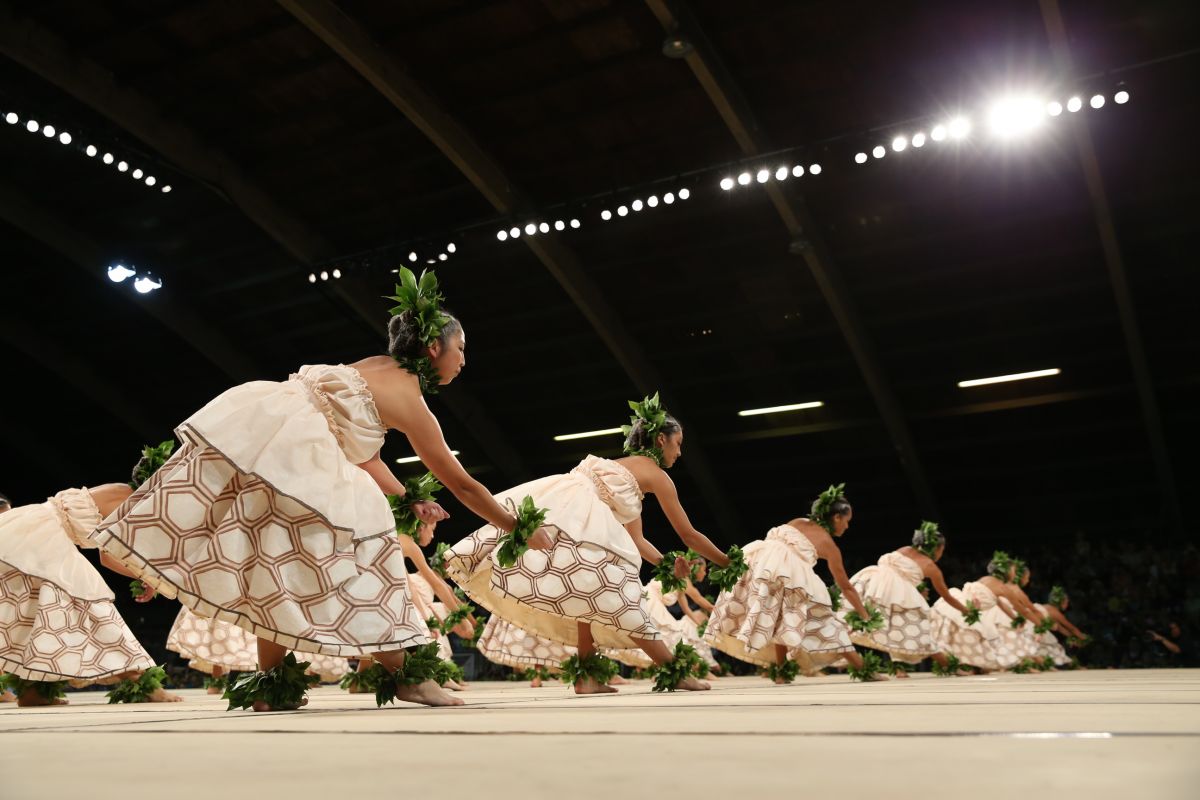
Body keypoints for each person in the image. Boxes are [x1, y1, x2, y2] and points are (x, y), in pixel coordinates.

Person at [92, 268, 552, 711]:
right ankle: (407, 674)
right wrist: (516, 527)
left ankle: (270, 686)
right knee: (368, 550)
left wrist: (408, 497)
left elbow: (362, 452)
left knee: (275, 568)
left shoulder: (369, 368)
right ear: (434, 348)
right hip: (293, 455)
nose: (464, 360)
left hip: (266, 440)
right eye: (461, 349)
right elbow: (463, 485)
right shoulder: (411, 401)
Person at [445, 394, 733, 694]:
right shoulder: (656, 475)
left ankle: (586, 677)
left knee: (587, 596)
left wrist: (664, 564)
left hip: (565, 513)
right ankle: (672, 670)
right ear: (661, 440)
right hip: (576, 520)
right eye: (678, 443)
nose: (680, 452)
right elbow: (688, 534)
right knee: (621, 595)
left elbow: (637, 540)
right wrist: (728, 562)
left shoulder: (622, 474)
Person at [0, 473, 180, 707]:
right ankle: (139, 680)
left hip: (27, 531)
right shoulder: (129, 496)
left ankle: (33, 691)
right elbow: (109, 555)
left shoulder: (123, 494)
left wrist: (146, 577)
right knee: (89, 603)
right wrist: (149, 578)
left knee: (37, 607)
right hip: (41, 535)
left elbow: (109, 555)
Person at [705, 485, 884, 682]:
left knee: (780, 617)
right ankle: (863, 668)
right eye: (847, 521)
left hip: (762, 562)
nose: (847, 527)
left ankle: (781, 671)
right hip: (788, 571)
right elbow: (846, 587)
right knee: (825, 620)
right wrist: (864, 614)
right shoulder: (829, 545)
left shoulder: (797, 522)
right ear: (837, 518)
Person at [844, 521, 973, 676]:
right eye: (942, 549)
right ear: (936, 548)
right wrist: (966, 610)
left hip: (874, 585)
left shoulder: (904, 550)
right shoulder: (931, 567)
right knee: (920, 632)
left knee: (893, 627)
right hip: (894, 593)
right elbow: (946, 596)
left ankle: (899, 669)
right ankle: (949, 667)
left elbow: (899, 573)